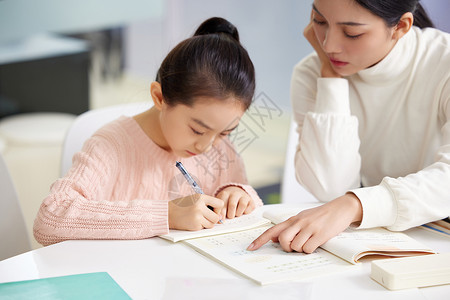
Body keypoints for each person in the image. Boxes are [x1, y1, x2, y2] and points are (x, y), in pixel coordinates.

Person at [34, 17, 263, 246]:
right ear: (160, 97)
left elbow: (250, 216)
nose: (206, 146)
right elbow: (49, 219)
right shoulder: (111, 145)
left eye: (225, 132)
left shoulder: (221, 150)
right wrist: (166, 215)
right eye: (197, 129)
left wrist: (241, 195)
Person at [248, 0, 450, 254]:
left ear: (400, 26)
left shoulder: (443, 63)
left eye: (352, 33)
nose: (328, 45)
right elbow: (330, 187)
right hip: (386, 244)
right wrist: (331, 79)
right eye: (319, 22)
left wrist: (355, 205)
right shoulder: (312, 74)